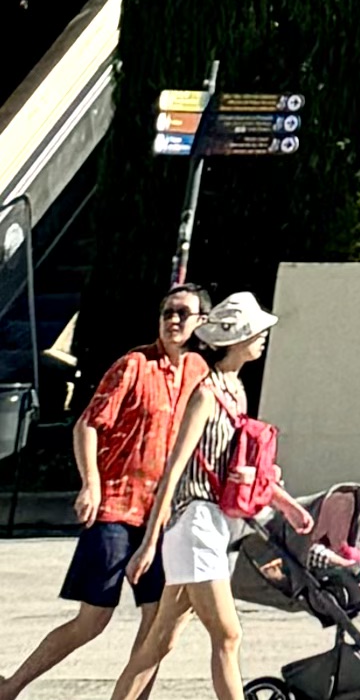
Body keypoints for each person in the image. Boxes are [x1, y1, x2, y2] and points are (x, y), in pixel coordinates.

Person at [3, 294, 198, 698]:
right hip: (116, 507)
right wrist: (91, 482)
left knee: (157, 620)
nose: (174, 320)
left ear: (201, 321)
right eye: (167, 313)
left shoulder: (199, 372)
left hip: (162, 517)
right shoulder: (135, 365)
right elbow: (87, 425)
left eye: (183, 313)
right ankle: (12, 685)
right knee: (93, 620)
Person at [105, 298, 271, 700]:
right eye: (257, 332)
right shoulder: (207, 395)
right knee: (228, 634)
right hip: (193, 524)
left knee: (159, 641)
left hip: (214, 524)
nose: (264, 338)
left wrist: (288, 506)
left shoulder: (237, 391)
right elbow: (175, 471)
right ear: (236, 339)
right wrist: (148, 544)